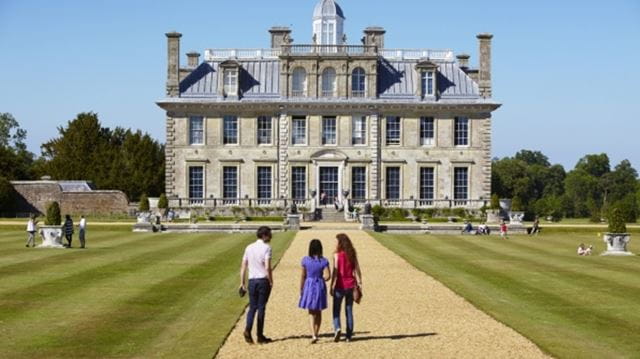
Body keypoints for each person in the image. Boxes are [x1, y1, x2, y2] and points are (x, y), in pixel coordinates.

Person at [239, 226, 274, 344]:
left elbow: (243, 266)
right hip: (263, 280)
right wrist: (271, 280)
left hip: (252, 281)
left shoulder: (249, 247)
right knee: (261, 308)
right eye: (269, 234)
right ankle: (260, 336)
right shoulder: (267, 248)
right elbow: (268, 267)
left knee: (252, 307)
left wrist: (242, 283)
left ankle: (248, 329)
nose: (270, 236)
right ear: (264, 236)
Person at [330, 233, 362, 343]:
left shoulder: (336, 255)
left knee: (336, 310)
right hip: (351, 284)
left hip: (340, 285)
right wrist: (359, 283)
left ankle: (337, 328)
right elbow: (357, 270)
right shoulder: (352, 254)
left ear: (340, 243)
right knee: (349, 310)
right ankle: (349, 335)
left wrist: (331, 286)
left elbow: (335, 272)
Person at [298, 239, 331, 344]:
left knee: (311, 311)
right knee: (318, 311)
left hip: (309, 284)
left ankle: (313, 334)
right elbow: (328, 276)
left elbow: (303, 275)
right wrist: (321, 278)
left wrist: (301, 288)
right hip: (319, 285)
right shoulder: (323, 261)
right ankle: (316, 332)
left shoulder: (305, 260)